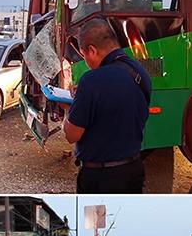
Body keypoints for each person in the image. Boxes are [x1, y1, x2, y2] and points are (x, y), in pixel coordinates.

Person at [62, 17, 151, 193]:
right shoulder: (140, 71)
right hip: (133, 169)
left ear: (92, 50)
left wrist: (67, 109)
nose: (86, 61)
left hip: (100, 178)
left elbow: (72, 135)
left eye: (84, 55)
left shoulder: (91, 81)